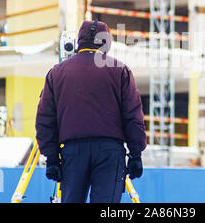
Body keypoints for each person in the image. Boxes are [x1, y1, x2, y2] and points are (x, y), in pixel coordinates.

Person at [35, 19, 147, 203]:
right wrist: (135, 154)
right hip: (109, 152)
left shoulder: (56, 73)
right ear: (106, 42)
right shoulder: (120, 71)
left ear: (80, 41)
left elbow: (45, 120)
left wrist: (52, 158)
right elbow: (133, 116)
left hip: (72, 152)